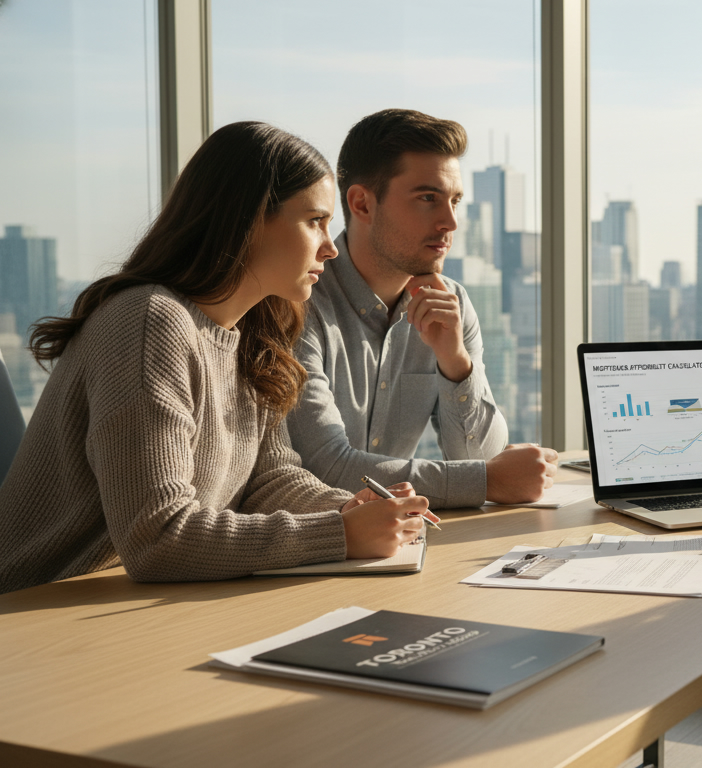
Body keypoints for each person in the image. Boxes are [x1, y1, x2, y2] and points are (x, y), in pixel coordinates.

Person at [0, 122, 439, 596]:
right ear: (250, 219)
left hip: (125, 602)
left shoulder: (253, 332)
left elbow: (266, 481)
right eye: (315, 221)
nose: (331, 248)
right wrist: (340, 534)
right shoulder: (150, 322)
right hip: (32, 608)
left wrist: (352, 508)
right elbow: (157, 536)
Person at [285, 108, 556, 509]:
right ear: (361, 203)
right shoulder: (298, 304)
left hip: (395, 541)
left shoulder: (453, 303)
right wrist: (485, 482)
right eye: (428, 198)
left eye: (455, 201)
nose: (450, 222)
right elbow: (323, 468)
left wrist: (455, 362)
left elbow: (482, 460)